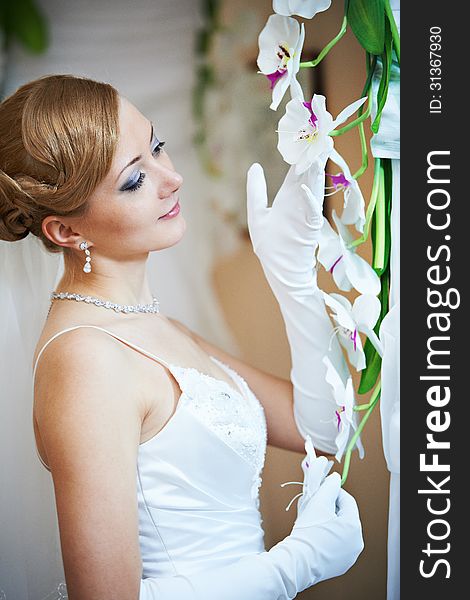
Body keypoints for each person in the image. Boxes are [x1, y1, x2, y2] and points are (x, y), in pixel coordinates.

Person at [0, 74, 363, 599]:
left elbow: (327, 429)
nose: (171, 179)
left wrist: (292, 280)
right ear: (67, 231)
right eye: (133, 180)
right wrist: (292, 566)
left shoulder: (151, 325)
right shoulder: (85, 361)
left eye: (156, 147)